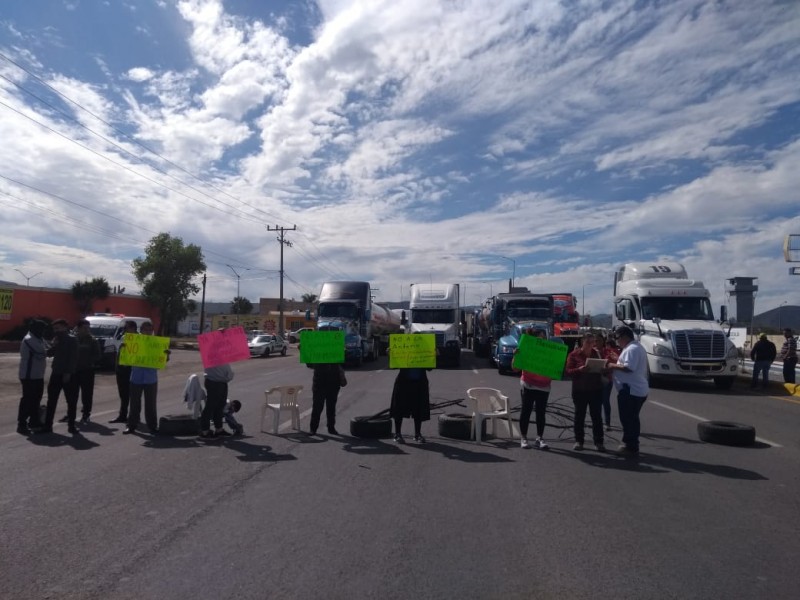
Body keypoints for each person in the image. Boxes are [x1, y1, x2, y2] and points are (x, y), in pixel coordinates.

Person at [607, 326, 649, 456]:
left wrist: (611, 365)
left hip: (631, 390)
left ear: (625, 337)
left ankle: (630, 445)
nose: (617, 341)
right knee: (631, 418)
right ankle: (631, 443)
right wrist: (618, 358)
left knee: (628, 419)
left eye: (617, 338)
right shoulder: (632, 348)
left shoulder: (632, 349)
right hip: (634, 389)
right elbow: (627, 363)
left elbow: (628, 367)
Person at [565, 333, 606, 452]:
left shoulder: (597, 353)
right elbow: (568, 371)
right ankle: (579, 441)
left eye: (593, 342)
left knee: (597, 417)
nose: (591, 345)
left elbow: (604, 367)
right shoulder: (574, 355)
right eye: (588, 342)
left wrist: (603, 369)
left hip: (595, 390)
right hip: (580, 390)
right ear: (583, 342)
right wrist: (579, 369)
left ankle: (599, 442)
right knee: (579, 416)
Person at [124, 321, 167, 435]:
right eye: (145, 330)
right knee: (134, 404)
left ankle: (152, 426)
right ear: (141, 330)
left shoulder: (157, 344)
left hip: (150, 379)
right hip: (136, 378)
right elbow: (125, 361)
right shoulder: (134, 342)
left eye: (150, 330)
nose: (148, 332)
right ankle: (131, 426)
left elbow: (161, 362)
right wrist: (124, 349)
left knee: (151, 404)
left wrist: (166, 355)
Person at [516, 328, 551, 450]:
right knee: (526, 411)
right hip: (528, 385)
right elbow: (515, 368)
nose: (541, 340)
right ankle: (524, 438)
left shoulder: (549, 351)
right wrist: (516, 356)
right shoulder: (526, 349)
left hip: (544, 386)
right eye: (539, 338)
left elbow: (556, 369)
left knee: (541, 413)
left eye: (543, 338)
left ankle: (539, 438)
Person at [42, 319, 79, 434]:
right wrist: (54, 345)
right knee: (51, 400)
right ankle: (48, 426)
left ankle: (71, 426)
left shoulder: (72, 340)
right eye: (55, 329)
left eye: (58, 328)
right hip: (56, 373)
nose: (56, 331)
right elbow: (49, 354)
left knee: (71, 402)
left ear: (64, 327)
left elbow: (73, 358)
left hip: (68, 375)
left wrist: (68, 373)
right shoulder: (57, 339)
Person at [17, 320, 48, 435]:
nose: (43, 331)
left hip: (38, 374)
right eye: (41, 329)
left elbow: (46, 347)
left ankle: (34, 422)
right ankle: (21, 424)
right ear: (34, 328)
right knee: (27, 400)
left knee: (36, 399)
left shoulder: (39, 338)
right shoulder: (29, 339)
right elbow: (43, 352)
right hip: (28, 375)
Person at [70, 319, 101, 423]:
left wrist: (89, 362)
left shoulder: (93, 340)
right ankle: (70, 414)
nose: (87, 330)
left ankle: (86, 413)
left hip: (87, 371)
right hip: (74, 371)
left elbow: (97, 355)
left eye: (88, 328)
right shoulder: (72, 339)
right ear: (78, 328)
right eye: (84, 328)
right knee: (72, 394)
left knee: (87, 394)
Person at [390, 368, 431, 443]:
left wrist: (433, 357)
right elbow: (394, 366)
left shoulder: (422, 356)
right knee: (399, 407)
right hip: (403, 383)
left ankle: (417, 434)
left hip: (420, 383)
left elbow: (430, 368)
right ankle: (397, 434)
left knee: (418, 408)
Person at [110, 320, 138, 424]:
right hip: (122, 370)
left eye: (127, 328)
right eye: (125, 328)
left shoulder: (141, 339)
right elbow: (118, 354)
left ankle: (134, 417)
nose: (125, 330)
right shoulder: (123, 337)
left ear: (133, 328)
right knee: (123, 394)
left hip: (134, 370)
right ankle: (122, 415)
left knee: (134, 395)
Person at [199, 356, 234, 440]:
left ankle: (219, 429)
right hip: (215, 382)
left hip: (220, 382)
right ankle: (205, 431)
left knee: (219, 406)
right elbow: (225, 370)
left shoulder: (219, 355)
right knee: (210, 406)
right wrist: (230, 376)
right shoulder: (212, 355)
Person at [308, 362, 347, 436]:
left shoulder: (335, 352)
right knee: (317, 407)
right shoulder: (316, 352)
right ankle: (313, 428)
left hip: (333, 382)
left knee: (331, 407)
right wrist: (304, 352)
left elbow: (343, 360)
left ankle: (331, 427)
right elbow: (309, 364)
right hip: (319, 383)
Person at [595, 333, 618, 430]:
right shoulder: (591, 351)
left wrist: (606, 369)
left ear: (603, 341)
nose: (596, 343)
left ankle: (607, 423)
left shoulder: (608, 352)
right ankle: (597, 422)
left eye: (598, 340)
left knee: (605, 401)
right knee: (596, 402)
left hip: (606, 380)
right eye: (595, 341)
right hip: (594, 380)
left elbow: (613, 365)